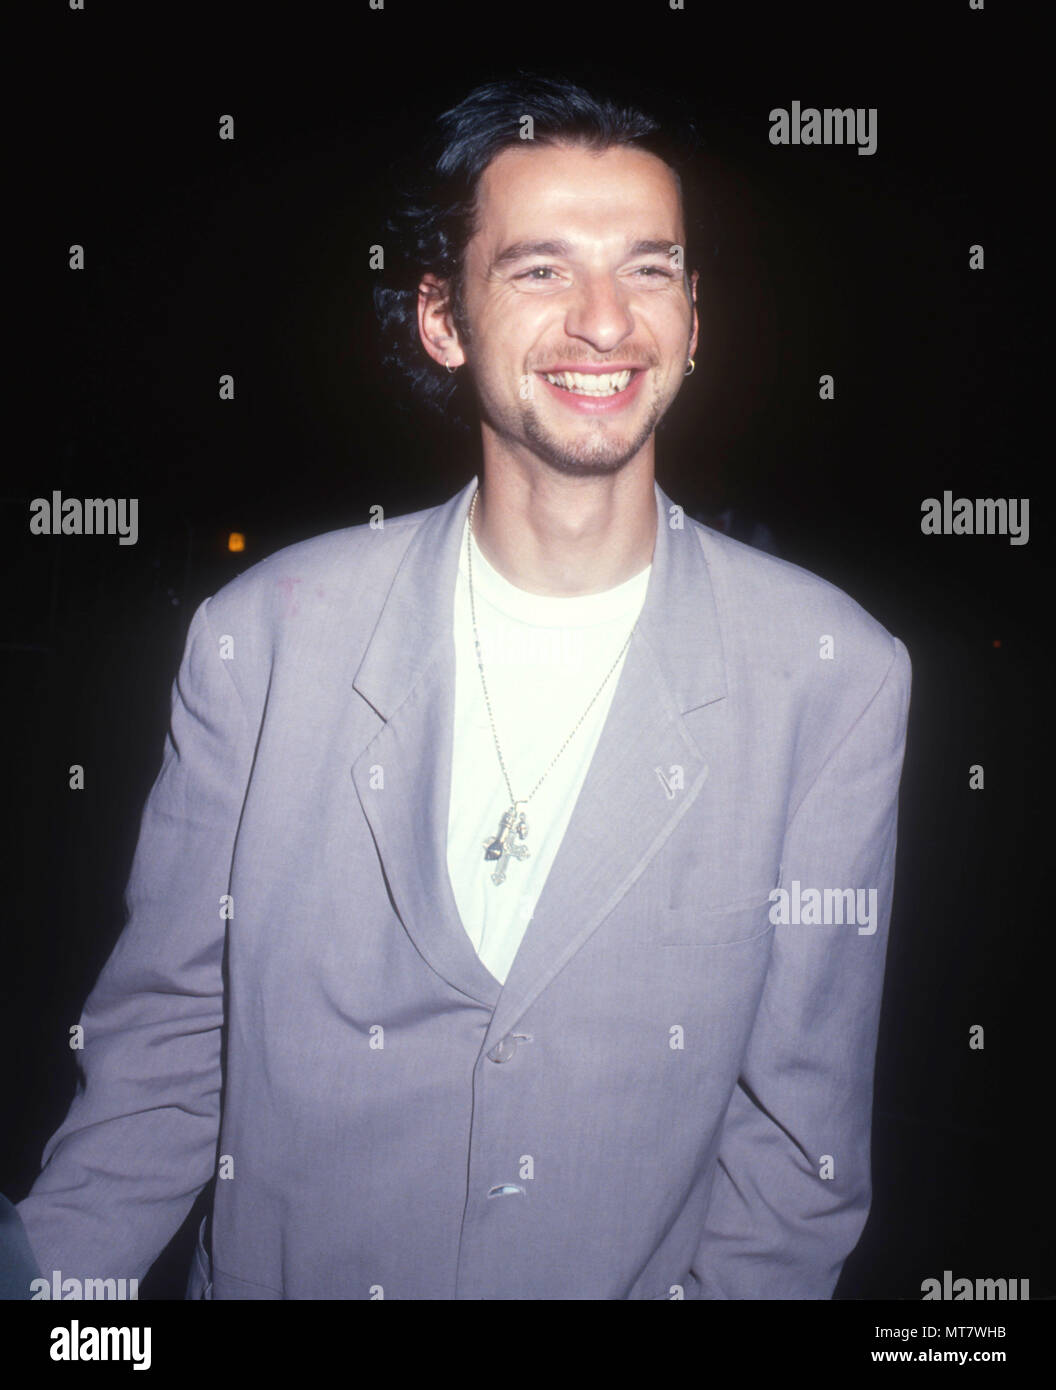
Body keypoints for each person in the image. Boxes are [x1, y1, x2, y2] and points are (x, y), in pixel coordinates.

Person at [11, 74, 911, 1300]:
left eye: (650, 271)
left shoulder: (834, 676)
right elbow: (166, 1057)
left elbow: (795, 1159)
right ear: (443, 319)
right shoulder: (262, 640)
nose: (606, 323)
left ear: (696, 320)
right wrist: (59, 1307)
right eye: (540, 270)